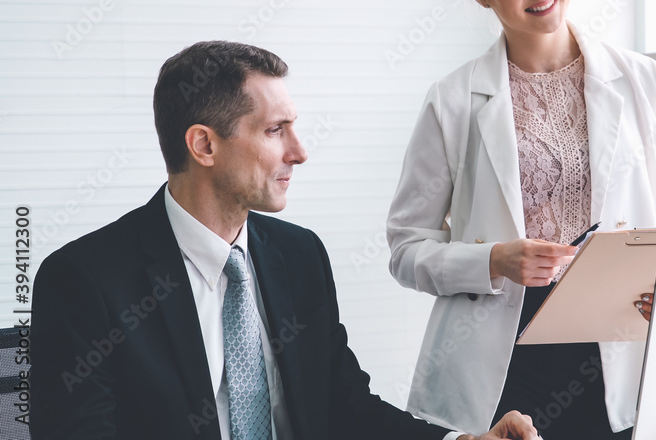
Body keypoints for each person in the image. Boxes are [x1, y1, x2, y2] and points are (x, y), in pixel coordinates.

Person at [30, 41, 539, 440]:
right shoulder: (85, 280)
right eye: (276, 130)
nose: (300, 152)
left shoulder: (299, 256)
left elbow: (344, 406)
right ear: (204, 144)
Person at [386, 0, 656, 440]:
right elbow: (406, 252)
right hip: (508, 353)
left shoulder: (643, 81)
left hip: (622, 341)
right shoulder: (453, 101)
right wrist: (492, 260)